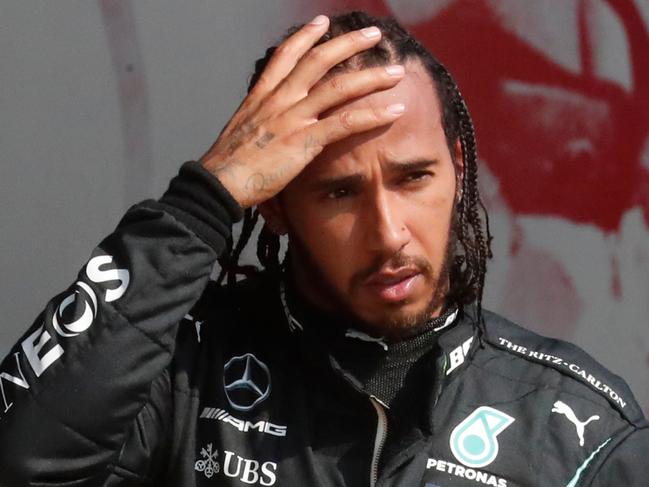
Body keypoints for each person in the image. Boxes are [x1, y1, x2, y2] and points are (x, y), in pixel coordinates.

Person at [0, 10, 647, 487]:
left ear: (458, 170)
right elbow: (25, 461)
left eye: (412, 176)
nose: (388, 231)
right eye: (339, 193)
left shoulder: (570, 425)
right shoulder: (180, 368)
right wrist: (205, 198)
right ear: (275, 204)